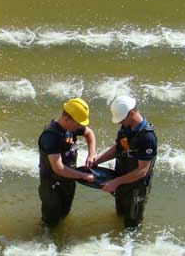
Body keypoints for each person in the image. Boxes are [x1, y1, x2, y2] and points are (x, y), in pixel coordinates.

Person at [91, 95, 157, 228]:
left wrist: (115, 182)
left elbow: (142, 171)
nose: (120, 123)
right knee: (120, 214)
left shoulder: (147, 138)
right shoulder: (126, 128)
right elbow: (119, 148)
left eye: (122, 120)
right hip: (121, 179)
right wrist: (98, 160)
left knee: (132, 225)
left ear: (131, 113)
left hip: (137, 186)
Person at [37, 98, 97, 226]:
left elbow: (89, 133)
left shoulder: (71, 127)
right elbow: (58, 168)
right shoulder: (51, 137)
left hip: (68, 182)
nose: (80, 126)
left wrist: (91, 154)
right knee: (50, 224)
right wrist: (84, 175)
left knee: (64, 216)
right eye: (78, 123)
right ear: (67, 119)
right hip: (52, 186)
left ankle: (60, 241)